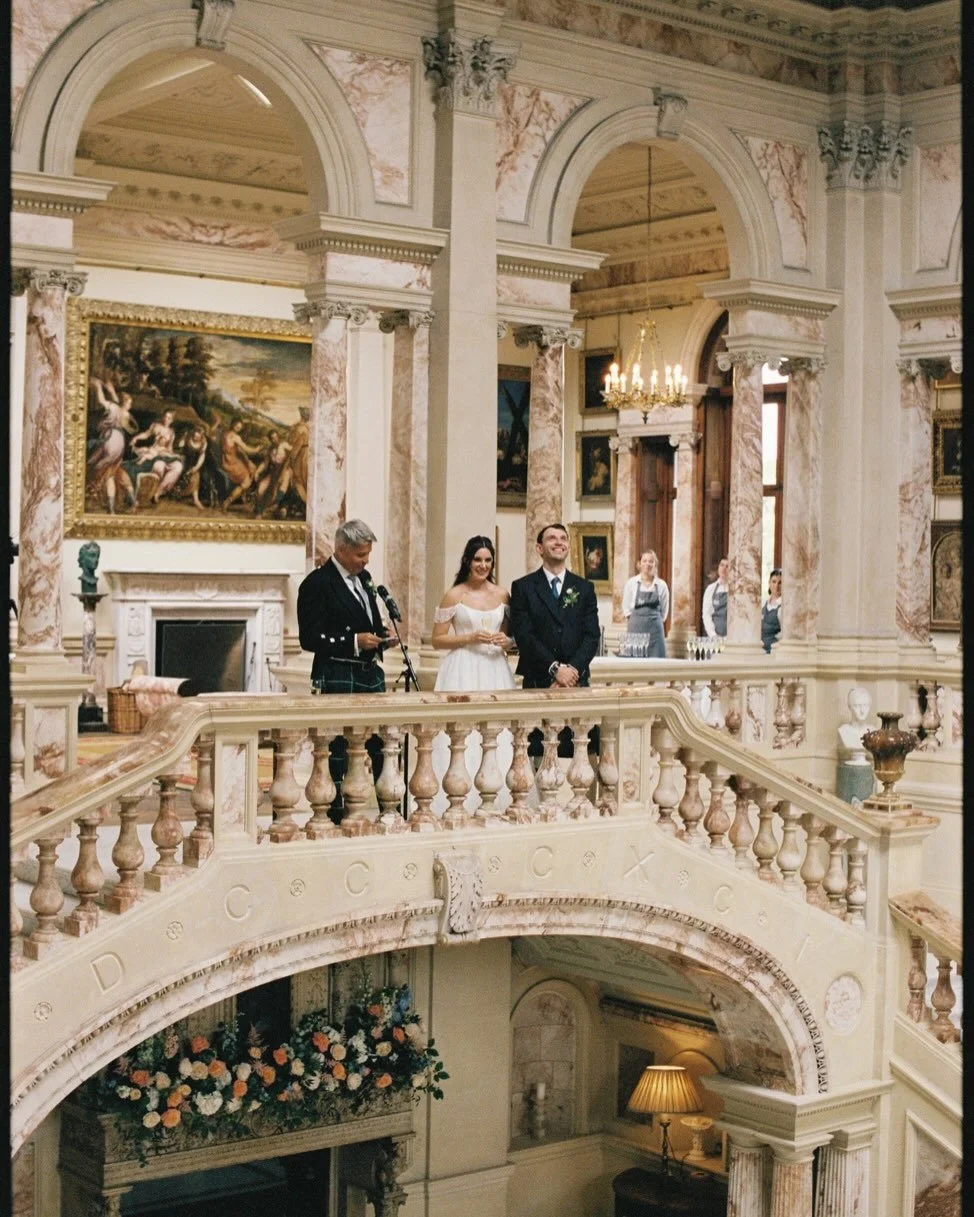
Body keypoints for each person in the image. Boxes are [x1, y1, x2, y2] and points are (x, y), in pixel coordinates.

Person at [296, 519, 390, 815]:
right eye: (360, 554)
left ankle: (389, 809)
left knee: (380, 743)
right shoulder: (317, 584)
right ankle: (333, 813)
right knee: (336, 747)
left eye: (367, 554)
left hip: (369, 672)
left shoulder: (365, 579)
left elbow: (369, 621)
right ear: (340, 549)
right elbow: (308, 638)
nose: (365, 560)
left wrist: (382, 637)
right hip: (336, 672)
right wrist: (353, 641)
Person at [430, 536, 516, 812]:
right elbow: (437, 640)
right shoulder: (455, 594)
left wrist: (508, 642)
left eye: (488, 560)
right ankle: (455, 797)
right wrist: (467, 638)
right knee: (460, 731)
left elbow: (511, 635)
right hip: (463, 667)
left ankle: (497, 798)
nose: (483, 565)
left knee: (498, 731)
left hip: (494, 667)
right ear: (468, 560)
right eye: (478, 559)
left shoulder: (502, 595)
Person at [510, 523, 601, 757]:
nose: (559, 542)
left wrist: (570, 671)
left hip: (575, 680)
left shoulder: (584, 588)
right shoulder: (523, 587)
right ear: (540, 548)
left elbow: (592, 635)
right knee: (538, 753)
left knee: (580, 750)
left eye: (563, 538)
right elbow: (524, 635)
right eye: (552, 538)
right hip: (539, 678)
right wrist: (554, 669)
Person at [621, 550, 669, 658]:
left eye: (651, 561)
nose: (647, 564)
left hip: (655, 634)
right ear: (639, 564)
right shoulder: (631, 583)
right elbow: (626, 609)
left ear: (655, 564)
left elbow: (664, 613)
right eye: (645, 561)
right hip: (635, 632)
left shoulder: (662, 585)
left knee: (656, 667)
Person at [220, 418, 264, 511]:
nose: (238, 428)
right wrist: (257, 449)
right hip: (232, 463)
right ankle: (228, 501)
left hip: (225, 460)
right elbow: (248, 450)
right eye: (237, 426)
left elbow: (239, 450)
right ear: (233, 425)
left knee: (252, 467)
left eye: (239, 427)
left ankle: (242, 496)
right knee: (247, 482)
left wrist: (247, 461)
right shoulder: (235, 437)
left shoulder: (224, 433)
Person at [702, 557, 729, 639]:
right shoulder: (711, 589)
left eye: (727, 566)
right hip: (715, 638)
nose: (724, 568)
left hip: (731, 640)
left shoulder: (736, 590)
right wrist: (713, 635)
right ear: (718, 568)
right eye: (722, 565)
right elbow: (706, 614)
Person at [761, 568, 782, 653]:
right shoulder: (763, 603)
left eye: (780, 583)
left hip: (774, 652)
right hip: (760, 650)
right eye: (774, 582)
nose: (776, 586)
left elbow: (784, 635)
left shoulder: (783, 607)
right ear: (769, 583)